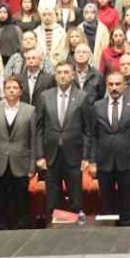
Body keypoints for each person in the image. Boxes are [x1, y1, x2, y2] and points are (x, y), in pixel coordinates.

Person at [85, 70, 130, 224]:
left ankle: (127, 231)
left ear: (124, 85)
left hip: (126, 161)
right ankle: (108, 232)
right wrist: (92, 161)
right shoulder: (97, 106)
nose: (114, 87)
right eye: (111, 84)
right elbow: (93, 136)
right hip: (104, 161)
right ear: (107, 86)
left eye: (118, 84)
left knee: (126, 202)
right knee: (107, 202)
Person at [36, 61, 88, 221]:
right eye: (59, 73)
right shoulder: (45, 96)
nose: (63, 76)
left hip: (74, 155)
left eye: (66, 72)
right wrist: (40, 155)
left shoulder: (82, 97)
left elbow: (88, 130)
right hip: (51, 155)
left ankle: (77, 227)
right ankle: (53, 227)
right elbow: (39, 129)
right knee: (52, 199)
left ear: (73, 75)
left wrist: (86, 157)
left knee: (76, 199)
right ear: (55, 76)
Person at [0, 75, 39, 229]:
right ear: (4, 91)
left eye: (15, 88)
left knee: (21, 200)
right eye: (8, 88)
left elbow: (33, 139)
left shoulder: (30, 110)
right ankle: (0, 229)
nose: (11, 91)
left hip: (21, 162)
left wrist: (32, 166)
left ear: (20, 91)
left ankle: (21, 229)